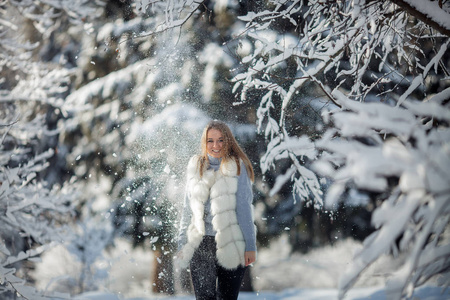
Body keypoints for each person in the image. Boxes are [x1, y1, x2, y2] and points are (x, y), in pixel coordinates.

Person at [177, 120, 257, 300]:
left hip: (232, 243)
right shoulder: (195, 166)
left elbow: (244, 209)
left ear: (228, 141)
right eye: (210, 141)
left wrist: (250, 246)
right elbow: (186, 208)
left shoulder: (237, 166)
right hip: (201, 245)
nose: (215, 145)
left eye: (220, 140)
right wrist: (182, 241)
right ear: (204, 143)